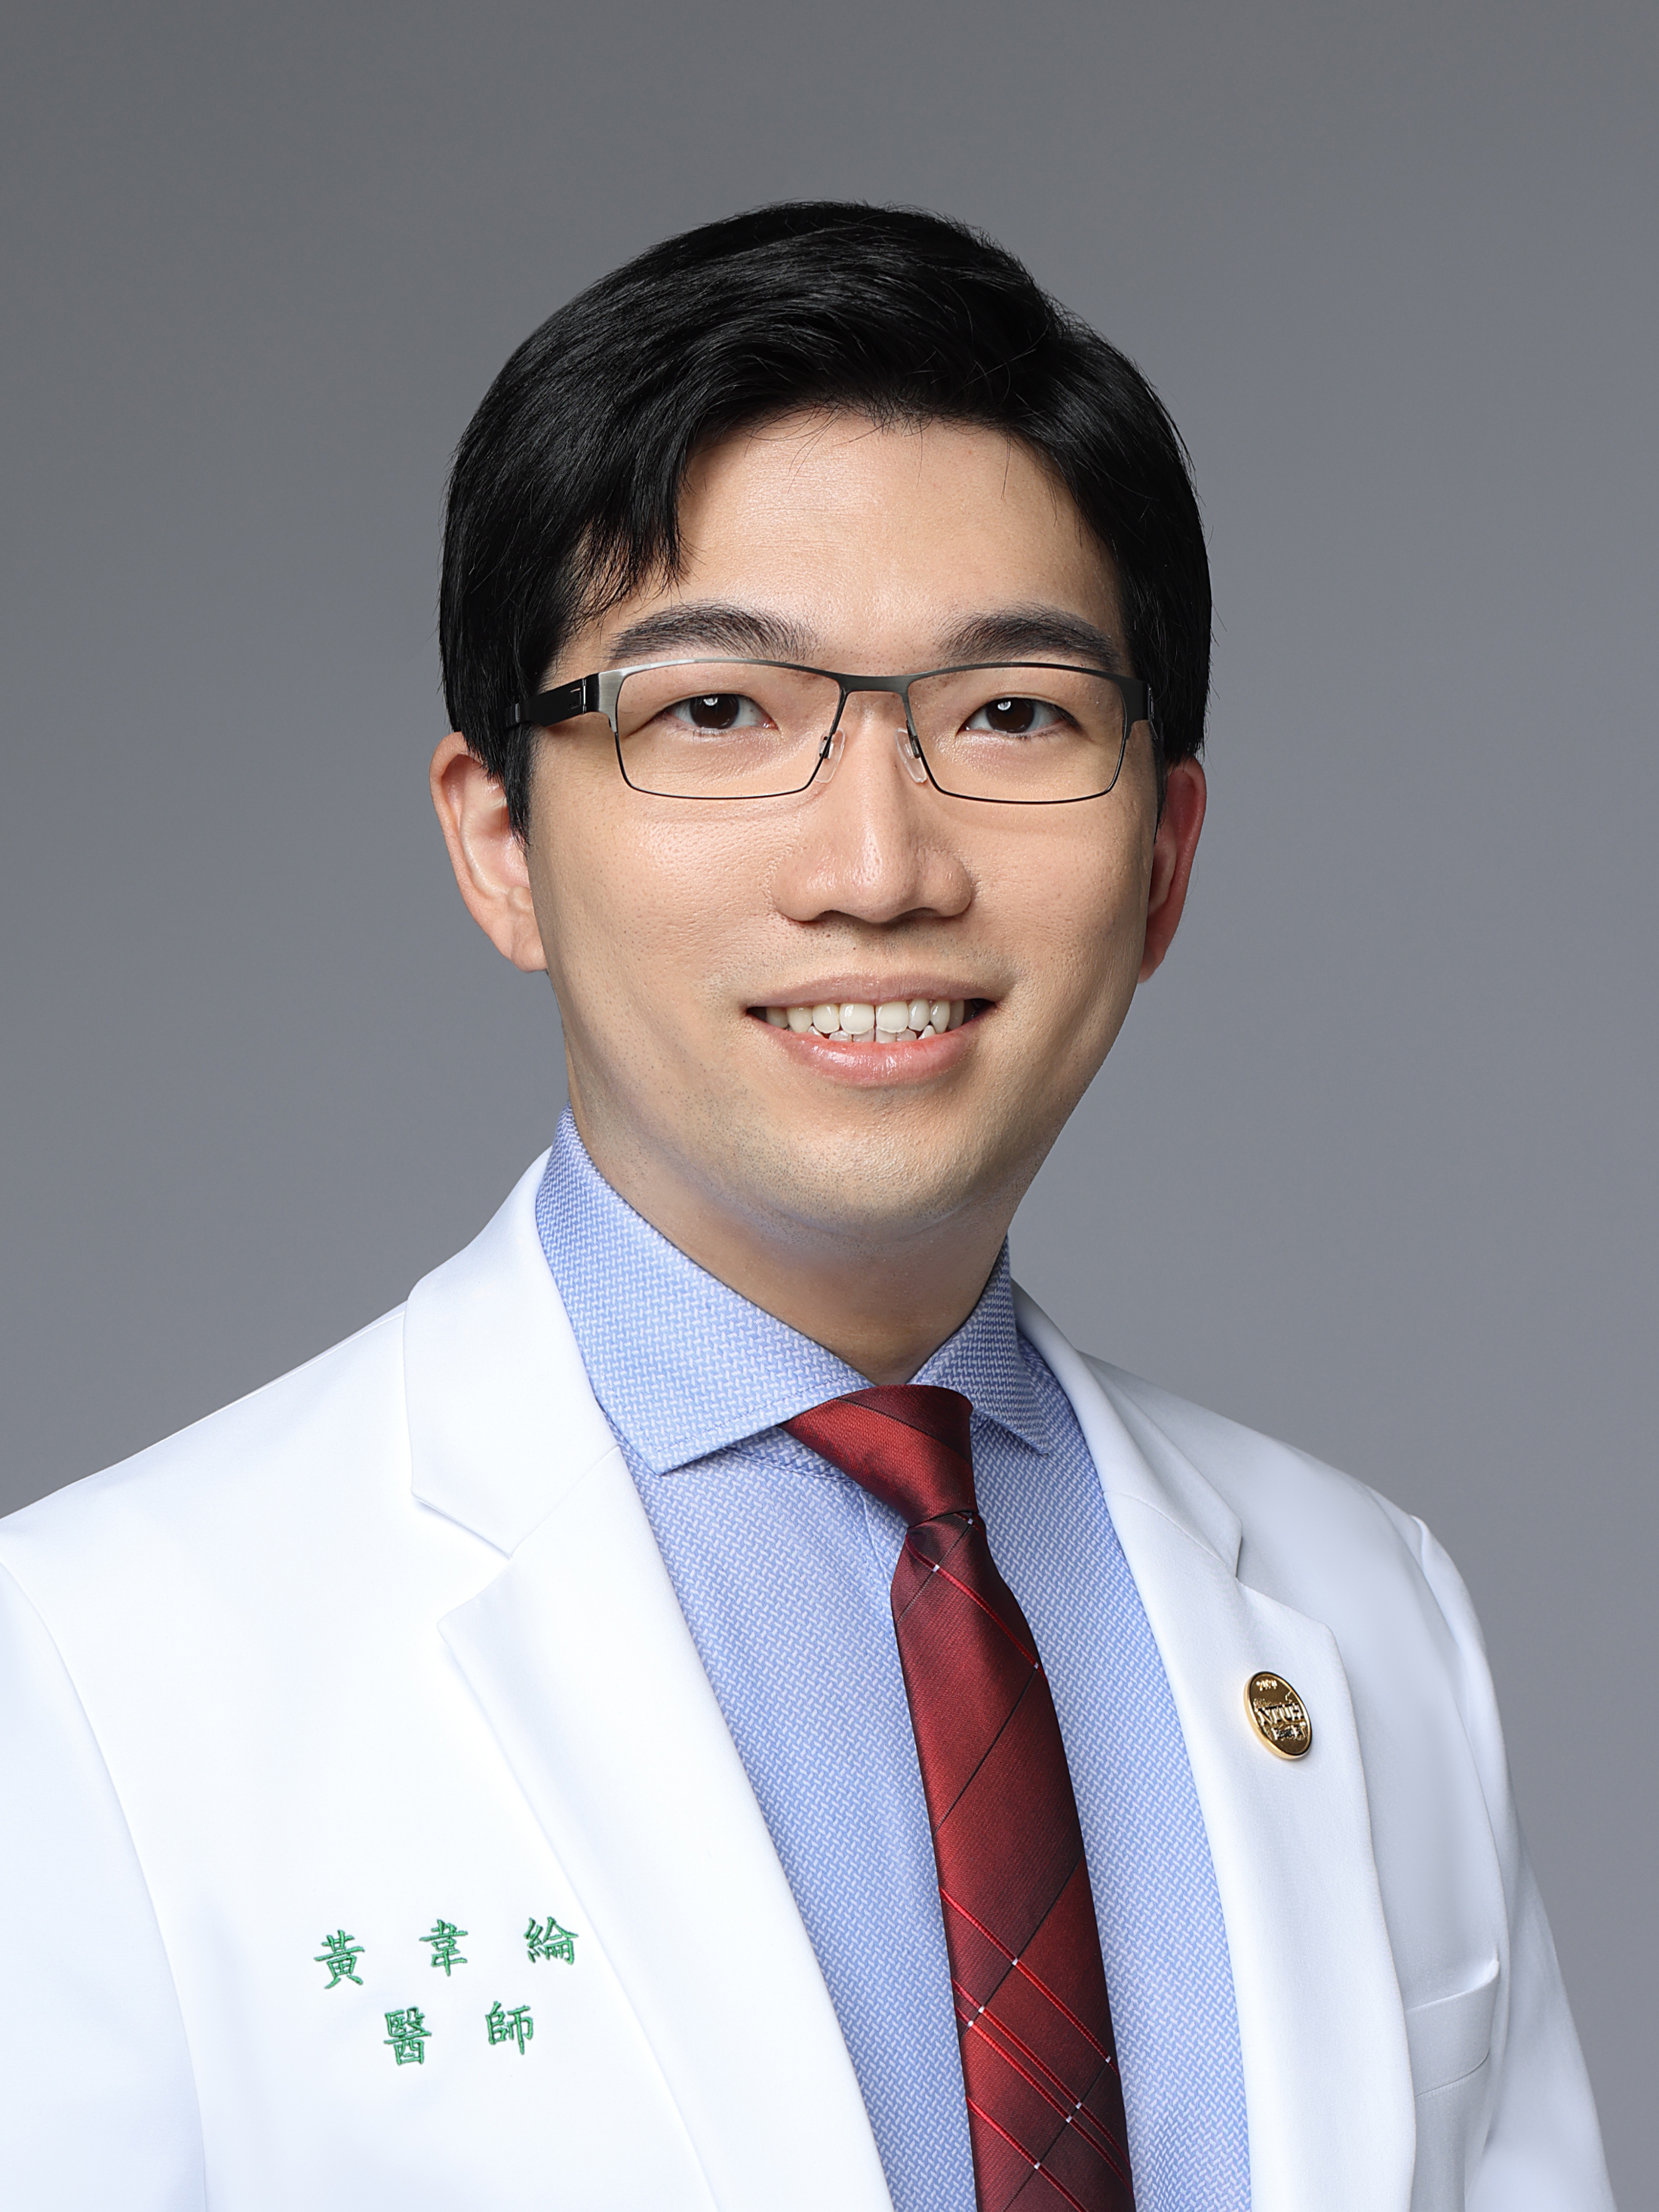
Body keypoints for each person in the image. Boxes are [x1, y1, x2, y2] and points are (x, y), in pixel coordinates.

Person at [0, 203, 1611, 2212]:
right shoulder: (88, 1668)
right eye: (717, 714)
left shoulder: (1371, 1612)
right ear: (500, 843)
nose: (877, 866)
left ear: (1166, 854)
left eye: (1012, 715)